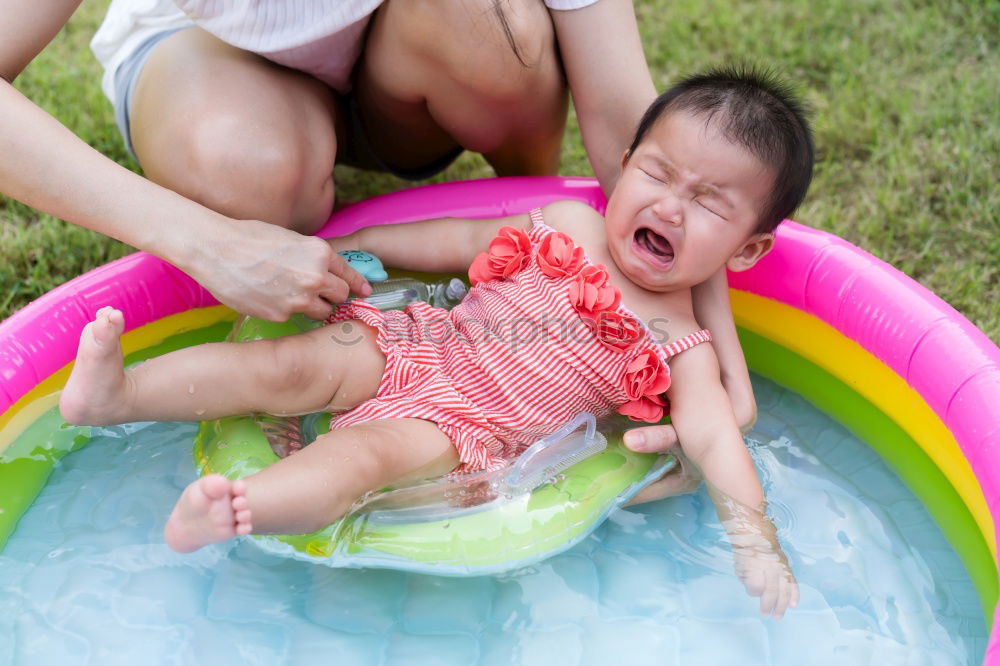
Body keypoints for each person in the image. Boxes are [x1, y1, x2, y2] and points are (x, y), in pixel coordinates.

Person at [60, 67, 813, 619]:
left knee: (359, 460)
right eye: (659, 173)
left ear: (745, 253)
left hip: (464, 429)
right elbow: (450, 239)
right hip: (416, 343)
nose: (671, 208)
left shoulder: (682, 344)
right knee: (285, 365)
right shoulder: (567, 223)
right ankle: (117, 394)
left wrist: (756, 541)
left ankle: (239, 506)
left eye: (709, 203)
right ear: (623, 167)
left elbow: (717, 443)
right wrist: (352, 241)